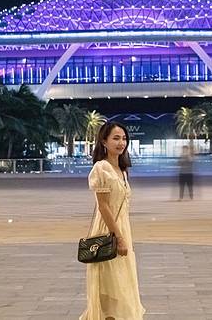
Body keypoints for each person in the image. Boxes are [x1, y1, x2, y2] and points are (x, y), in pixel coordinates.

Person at [80, 122, 145, 320]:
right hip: (108, 232)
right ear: (104, 141)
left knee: (122, 288)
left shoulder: (122, 170)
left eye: (124, 138)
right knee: (110, 292)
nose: (121, 143)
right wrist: (119, 238)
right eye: (116, 138)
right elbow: (103, 206)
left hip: (123, 230)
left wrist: (125, 237)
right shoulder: (102, 168)